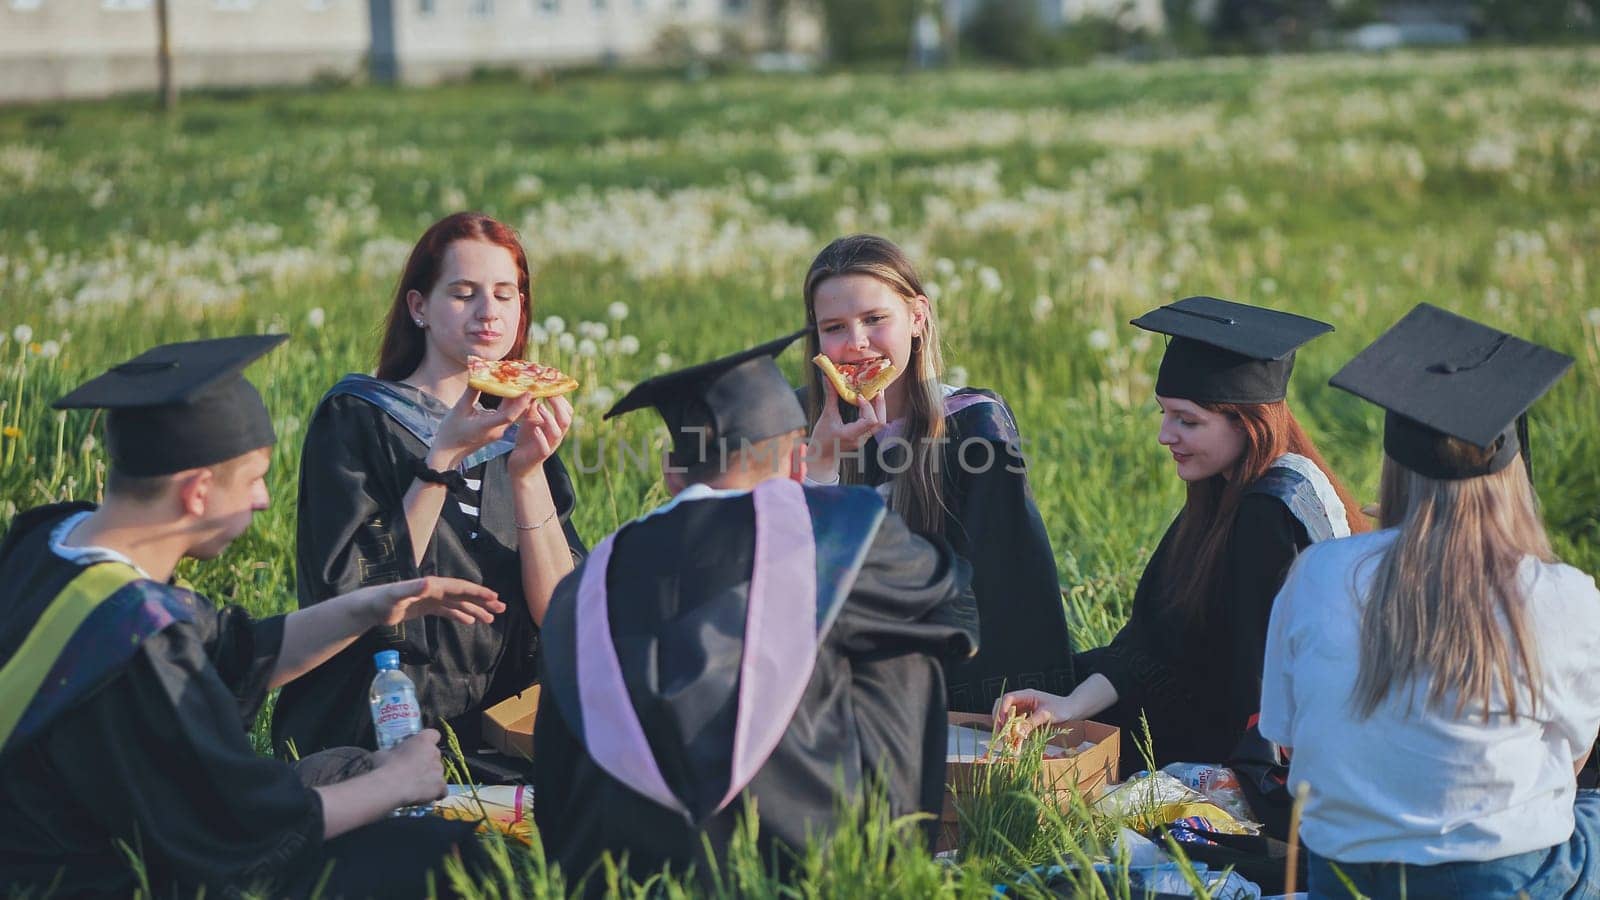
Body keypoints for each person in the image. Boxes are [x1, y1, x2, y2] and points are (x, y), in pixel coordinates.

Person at [0, 335, 503, 898]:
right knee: (440, 851)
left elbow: (232, 653)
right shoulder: (141, 646)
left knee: (344, 767)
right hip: (98, 877)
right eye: (254, 478)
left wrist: (372, 603)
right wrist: (397, 783)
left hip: (72, 833)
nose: (264, 499)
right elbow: (242, 836)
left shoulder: (51, 541)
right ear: (197, 494)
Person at [531, 332, 979, 886]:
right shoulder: (843, 534)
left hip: (621, 869)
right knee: (907, 638)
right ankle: (884, 865)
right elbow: (953, 605)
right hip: (799, 855)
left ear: (673, 473)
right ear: (798, 459)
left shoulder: (589, 579)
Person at [1261, 303, 1600, 898]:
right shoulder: (1560, 594)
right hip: (1500, 877)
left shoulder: (1315, 574)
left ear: (1394, 467)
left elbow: (1285, 734)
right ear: (1510, 470)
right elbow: (1573, 760)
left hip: (1344, 875)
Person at [999, 296, 1365, 776]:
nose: (1165, 436)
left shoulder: (1271, 514)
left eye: (1187, 421)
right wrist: (1069, 705)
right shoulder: (1220, 491)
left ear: (1249, 424)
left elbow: (1267, 688)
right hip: (1199, 707)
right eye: (1164, 414)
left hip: (1249, 747)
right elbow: (1156, 639)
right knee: (1037, 677)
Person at [272, 212, 585, 761]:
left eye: (506, 294)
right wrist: (442, 458)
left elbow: (562, 614)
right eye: (464, 293)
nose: (489, 313)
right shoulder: (358, 417)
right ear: (419, 307)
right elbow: (348, 591)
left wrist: (528, 474)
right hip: (377, 726)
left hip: (498, 736)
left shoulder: (521, 432)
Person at [801, 233, 1073, 713]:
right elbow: (784, 575)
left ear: (917, 318)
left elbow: (1009, 584)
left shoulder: (973, 425)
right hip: (824, 677)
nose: (857, 344)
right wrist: (820, 463)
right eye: (834, 327)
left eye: (874, 319)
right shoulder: (795, 423)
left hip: (948, 686)